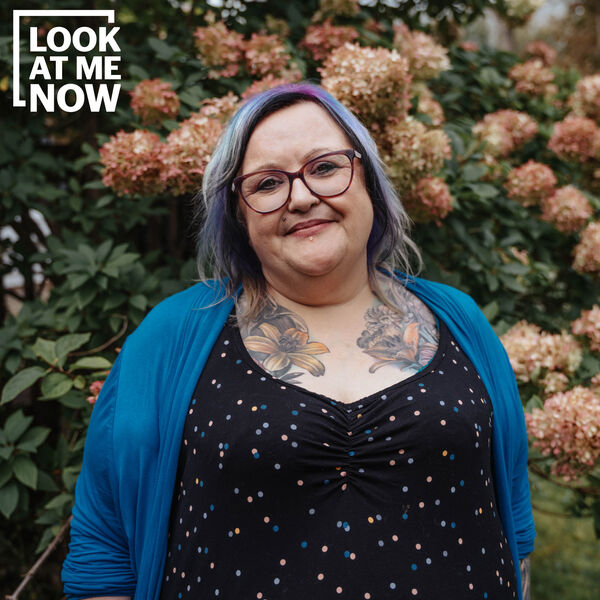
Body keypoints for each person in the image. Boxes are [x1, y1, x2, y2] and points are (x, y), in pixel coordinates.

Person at [62, 83, 535, 600]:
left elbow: (512, 525)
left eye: (325, 167)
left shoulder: (460, 320)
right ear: (238, 215)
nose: (304, 196)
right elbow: (102, 556)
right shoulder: (168, 339)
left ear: (369, 181)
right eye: (267, 183)